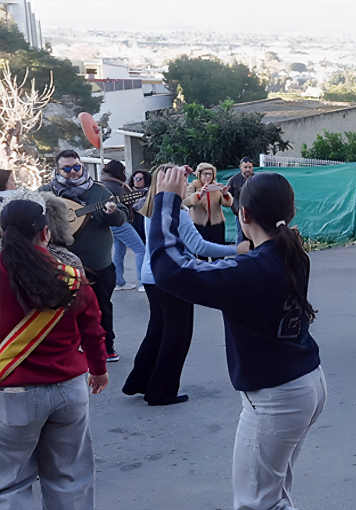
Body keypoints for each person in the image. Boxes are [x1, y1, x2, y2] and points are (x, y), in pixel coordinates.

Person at [148, 166, 356, 510]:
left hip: (278, 396)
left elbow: (171, 271)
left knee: (256, 506)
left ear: (242, 215)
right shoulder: (287, 252)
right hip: (301, 384)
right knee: (273, 502)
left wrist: (168, 203)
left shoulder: (255, 269)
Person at [0, 198, 108, 510]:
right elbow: (93, 328)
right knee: (69, 479)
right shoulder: (69, 274)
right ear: (46, 232)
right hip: (69, 389)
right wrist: (98, 370)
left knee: (9, 486)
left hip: (12, 394)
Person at [121, 166, 237, 406]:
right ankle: (161, 391)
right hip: (172, 278)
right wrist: (236, 250)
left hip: (150, 276)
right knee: (177, 335)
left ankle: (139, 381)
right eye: (182, 180)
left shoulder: (148, 207)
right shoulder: (178, 213)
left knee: (158, 330)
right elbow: (199, 246)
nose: (185, 184)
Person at [39, 150, 127, 363]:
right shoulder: (46, 192)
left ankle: (107, 347)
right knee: (63, 309)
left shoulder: (99, 192)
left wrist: (111, 212)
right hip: (60, 265)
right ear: (58, 170)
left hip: (98, 265)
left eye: (76, 167)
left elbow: (121, 219)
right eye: (66, 168)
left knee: (101, 307)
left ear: (82, 167)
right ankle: (70, 348)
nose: (72, 172)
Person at [101, 161, 146, 292]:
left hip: (112, 223)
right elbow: (125, 201)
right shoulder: (114, 185)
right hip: (120, 222)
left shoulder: (105, 183)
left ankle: (119, 282)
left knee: (119, 252)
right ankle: (143, 283)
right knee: (140, 249)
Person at [183, 162, 234, 245]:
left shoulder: (216, 186)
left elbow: (227, 204)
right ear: (199, 174)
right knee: (201, 253)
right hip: (199, 225)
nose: (208, 176)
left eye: (211, 174)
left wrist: (225, 194)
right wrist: (199, 195)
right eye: (205, 174)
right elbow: (185, 202)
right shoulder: (193, 186)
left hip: (217, 224)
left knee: (218, 252)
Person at [226, 156, 256, 244]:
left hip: (255, 213)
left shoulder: (257, 179)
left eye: (250, 167)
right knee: (241, 236)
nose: (248, 169)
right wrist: (235, 208)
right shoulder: (233, 180)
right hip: (240, 213)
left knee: (255, 235)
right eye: (245, 167)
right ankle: (240, 255)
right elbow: (227, 195)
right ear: (240, 167)